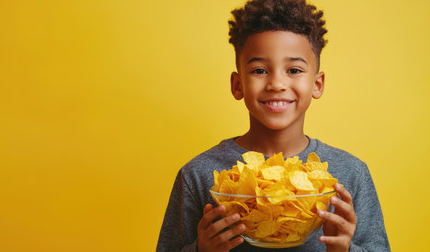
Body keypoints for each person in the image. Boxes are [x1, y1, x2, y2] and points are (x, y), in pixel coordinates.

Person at [156, 0, 390, 251]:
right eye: (259, 70)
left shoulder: (350, 175)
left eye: (294, 69)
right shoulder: (198, 174)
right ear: (237, 85)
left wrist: (346, 249)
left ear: (317, 84)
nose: (277, 83)